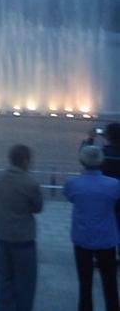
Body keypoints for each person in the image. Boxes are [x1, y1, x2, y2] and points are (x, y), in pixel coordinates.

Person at [64, 145, 120, 311]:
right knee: (110, 283)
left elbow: (70, 197)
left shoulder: (73, 183)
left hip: (83, 238)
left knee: (85, 283)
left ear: (82, 161)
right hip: (107, 238)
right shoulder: (114, 184)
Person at [0, 144, 43, 311]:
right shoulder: (30, 183)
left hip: (2, 238)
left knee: (4, 282)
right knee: (25, 285)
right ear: (25, 161)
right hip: (23, 241)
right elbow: (38, 207)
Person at [100, 122, 120, 261]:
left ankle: (106, 257)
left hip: (106, 196)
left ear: (107, 136)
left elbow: (85, 158)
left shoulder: (103, 154)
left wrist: (89, 140)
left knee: (105, 226)